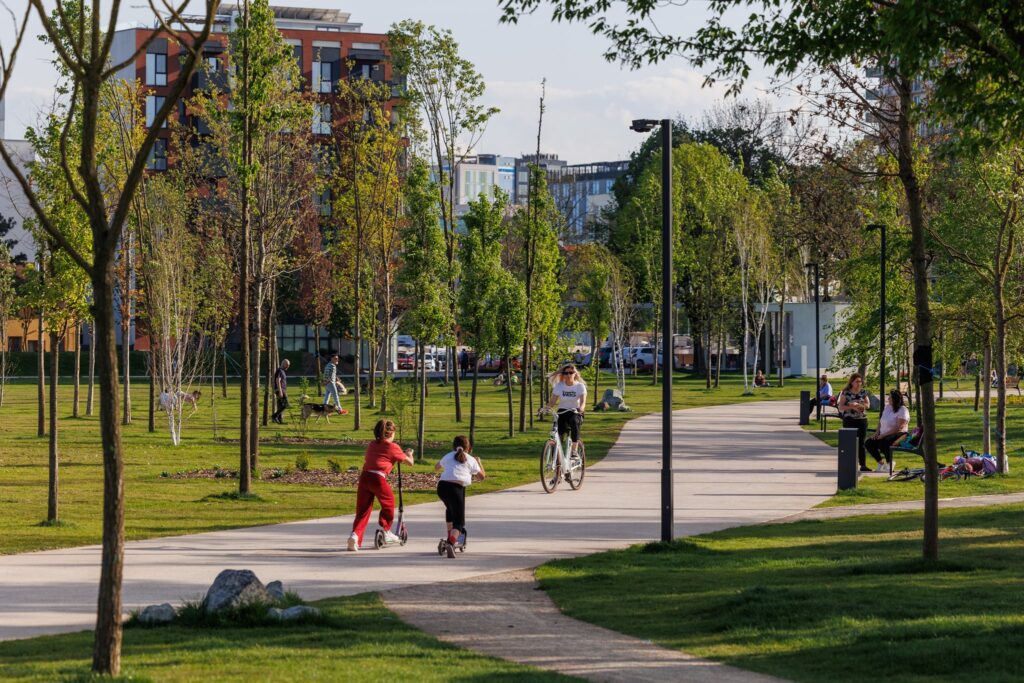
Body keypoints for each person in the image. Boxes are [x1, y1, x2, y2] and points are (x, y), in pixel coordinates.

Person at [347, 419, 414, 551]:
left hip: (365, 477)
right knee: (389, 502)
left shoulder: (372, 444)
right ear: (391, 433)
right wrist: (409, 454)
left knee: (363, 510)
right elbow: (410, 463)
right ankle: (386, 530)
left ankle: (354, 536)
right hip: (378, 478)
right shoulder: (393, 447)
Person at [434, 435, 486, 547]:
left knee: (450, 509)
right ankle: (451, 542)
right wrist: (479, 462)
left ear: (453, 446)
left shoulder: (448, 455)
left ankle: (450, 536)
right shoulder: (471, 459)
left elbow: (436, 467)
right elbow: (482, 477)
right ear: (469, 448)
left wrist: (447, 464)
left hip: (442, 487)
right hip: (456, 489)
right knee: (459, 523)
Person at [541, 364, 587, 455]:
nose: (568, 375)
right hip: (562, 411)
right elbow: (552, 401)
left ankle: (574, 450)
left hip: (575, 411)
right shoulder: (559, 386)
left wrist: (581, 409)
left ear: (575, 374)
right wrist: (545, 408)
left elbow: (583, 402)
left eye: (571, 372)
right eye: (566, 373)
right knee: (558, 430)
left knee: (574, 422)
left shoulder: (580, 386)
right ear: (563, 374)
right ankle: (557, 454)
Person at [864, 390, 911, 472]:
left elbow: (899, 428)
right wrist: (877, 433)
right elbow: (881, 421)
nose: (888, 399)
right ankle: (881, 463)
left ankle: (890, 463)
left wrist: (883, 435)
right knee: (869, 443)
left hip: (900, 434)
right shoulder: (887, 407)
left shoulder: (903, 410)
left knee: (884, 442)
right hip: (884, 434)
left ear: (895, 399)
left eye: (890, 397)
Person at [837, 373, 871, 472]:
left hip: (862, 420)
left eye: (860, 381)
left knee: (861, 443)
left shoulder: (863, 392)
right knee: (850, 443)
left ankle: (863, 465)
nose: (859, 383)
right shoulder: (846, 392)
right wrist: (851, 406)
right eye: (857, 381)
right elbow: (841, 407)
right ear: (852, 382)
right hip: (849, 420)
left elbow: (868, 405)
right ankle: (848, 464)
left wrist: (861, 406)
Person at [271, 359, 290, 424]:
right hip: (280, 390)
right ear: (283, 363)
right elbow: (277, 381)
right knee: (286, 405)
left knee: (280, 405)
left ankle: (280, 420)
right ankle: (274, 416)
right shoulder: (279, 370)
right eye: (287, 365)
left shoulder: (282, 371)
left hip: (281, 390)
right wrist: (280, 391)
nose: (288, 366)